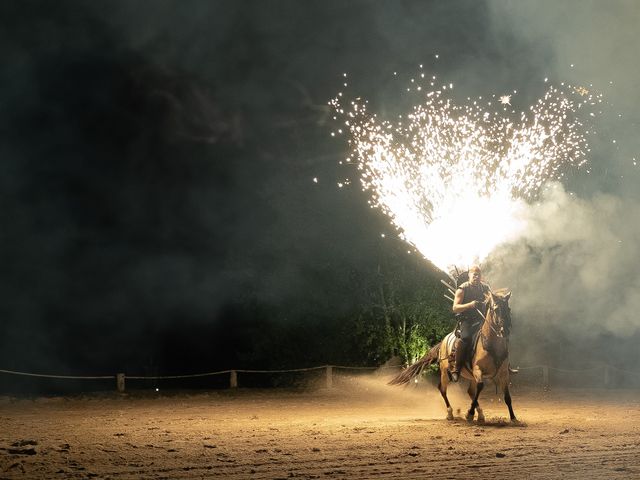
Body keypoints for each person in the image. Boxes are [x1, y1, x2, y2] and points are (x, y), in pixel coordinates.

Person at [450, 265, 491, 382]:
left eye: (478, 275)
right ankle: (456, 369)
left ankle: (504, 366)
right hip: (467, 320)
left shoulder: (485, 288)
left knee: (496, 334)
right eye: (474, 274)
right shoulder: (462, 289)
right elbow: (455, 308)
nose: (476, 277)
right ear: (469, 275)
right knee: (466, 338)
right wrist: (470, 305)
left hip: (482, 319)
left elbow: (491, 301)